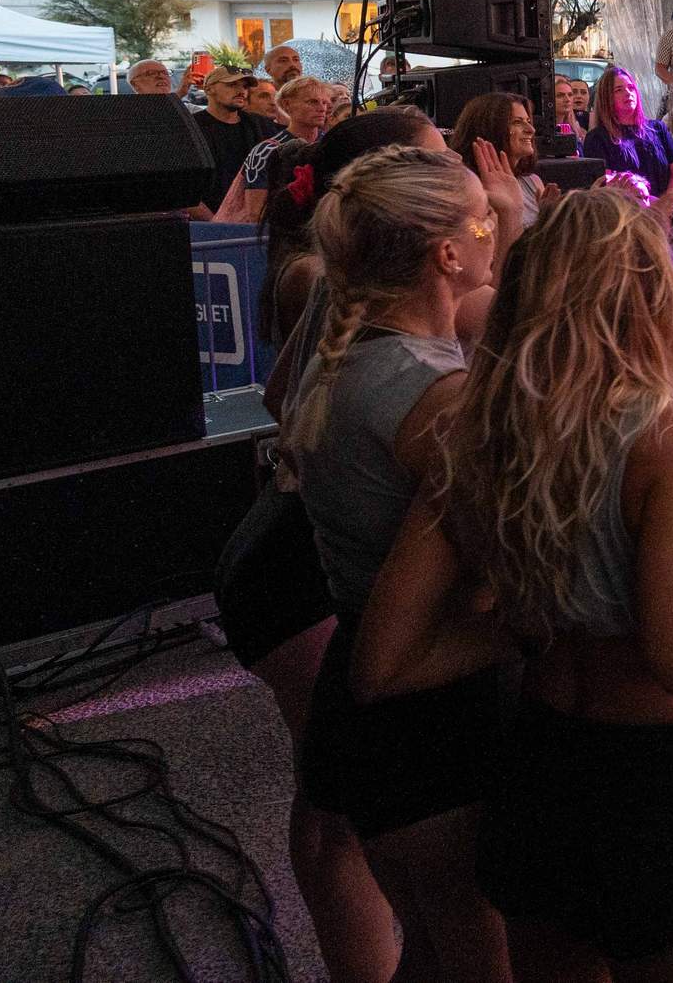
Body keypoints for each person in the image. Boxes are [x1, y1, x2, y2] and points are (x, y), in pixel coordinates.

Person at [354, 189, 673, 983]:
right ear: (649, 295)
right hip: (657, 788)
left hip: (535, 774)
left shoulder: (481, 431)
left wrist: (540, 619)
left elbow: (383, 661)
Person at [217, 108, 449, 983]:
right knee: (341, 814)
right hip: (295, 570)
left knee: (333, 795)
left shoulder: (353, 276)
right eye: (438, 162)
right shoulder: (356, 283)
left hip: (281, 542)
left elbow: (282, 395)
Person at [282, 145, 511, 982]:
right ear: (447, 254)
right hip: (435, 713)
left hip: (366, 708)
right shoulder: (435, 398)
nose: (495, 230)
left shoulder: (341, 354)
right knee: (479, 956)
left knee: (429, 945)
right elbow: (492, 575)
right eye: (483, 221)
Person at [580, 68, 673, 229]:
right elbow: (607, 181)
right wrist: (649, 205)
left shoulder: (657, 128)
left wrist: (668, 202)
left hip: (666, 214)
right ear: (607, 98)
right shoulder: (597, 138)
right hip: (626, 218)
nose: (628, 93)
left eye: (631, 87)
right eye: (619, 90)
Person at [220, 76, 333, 223]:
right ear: (287, 104)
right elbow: (255, 214)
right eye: (312, 102)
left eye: (324, 103)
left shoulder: (331, 145)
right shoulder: (266, 151)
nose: (322, 108)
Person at [446, 92, 548, 240]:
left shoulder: (534, 182)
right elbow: (481, 247)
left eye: (528, 121)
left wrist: (552, 219)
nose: (531, 130)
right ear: (490, 128)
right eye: (517, 122)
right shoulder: (470, 190)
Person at [190, 65, 279, 219]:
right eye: (232, 85)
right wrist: (215, 224)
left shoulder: (260, 125)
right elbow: (182, 188)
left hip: (255, 219)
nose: (241, 91)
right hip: (207, 222)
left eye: (244, 86)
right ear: (209, 89)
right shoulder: (191, 128)